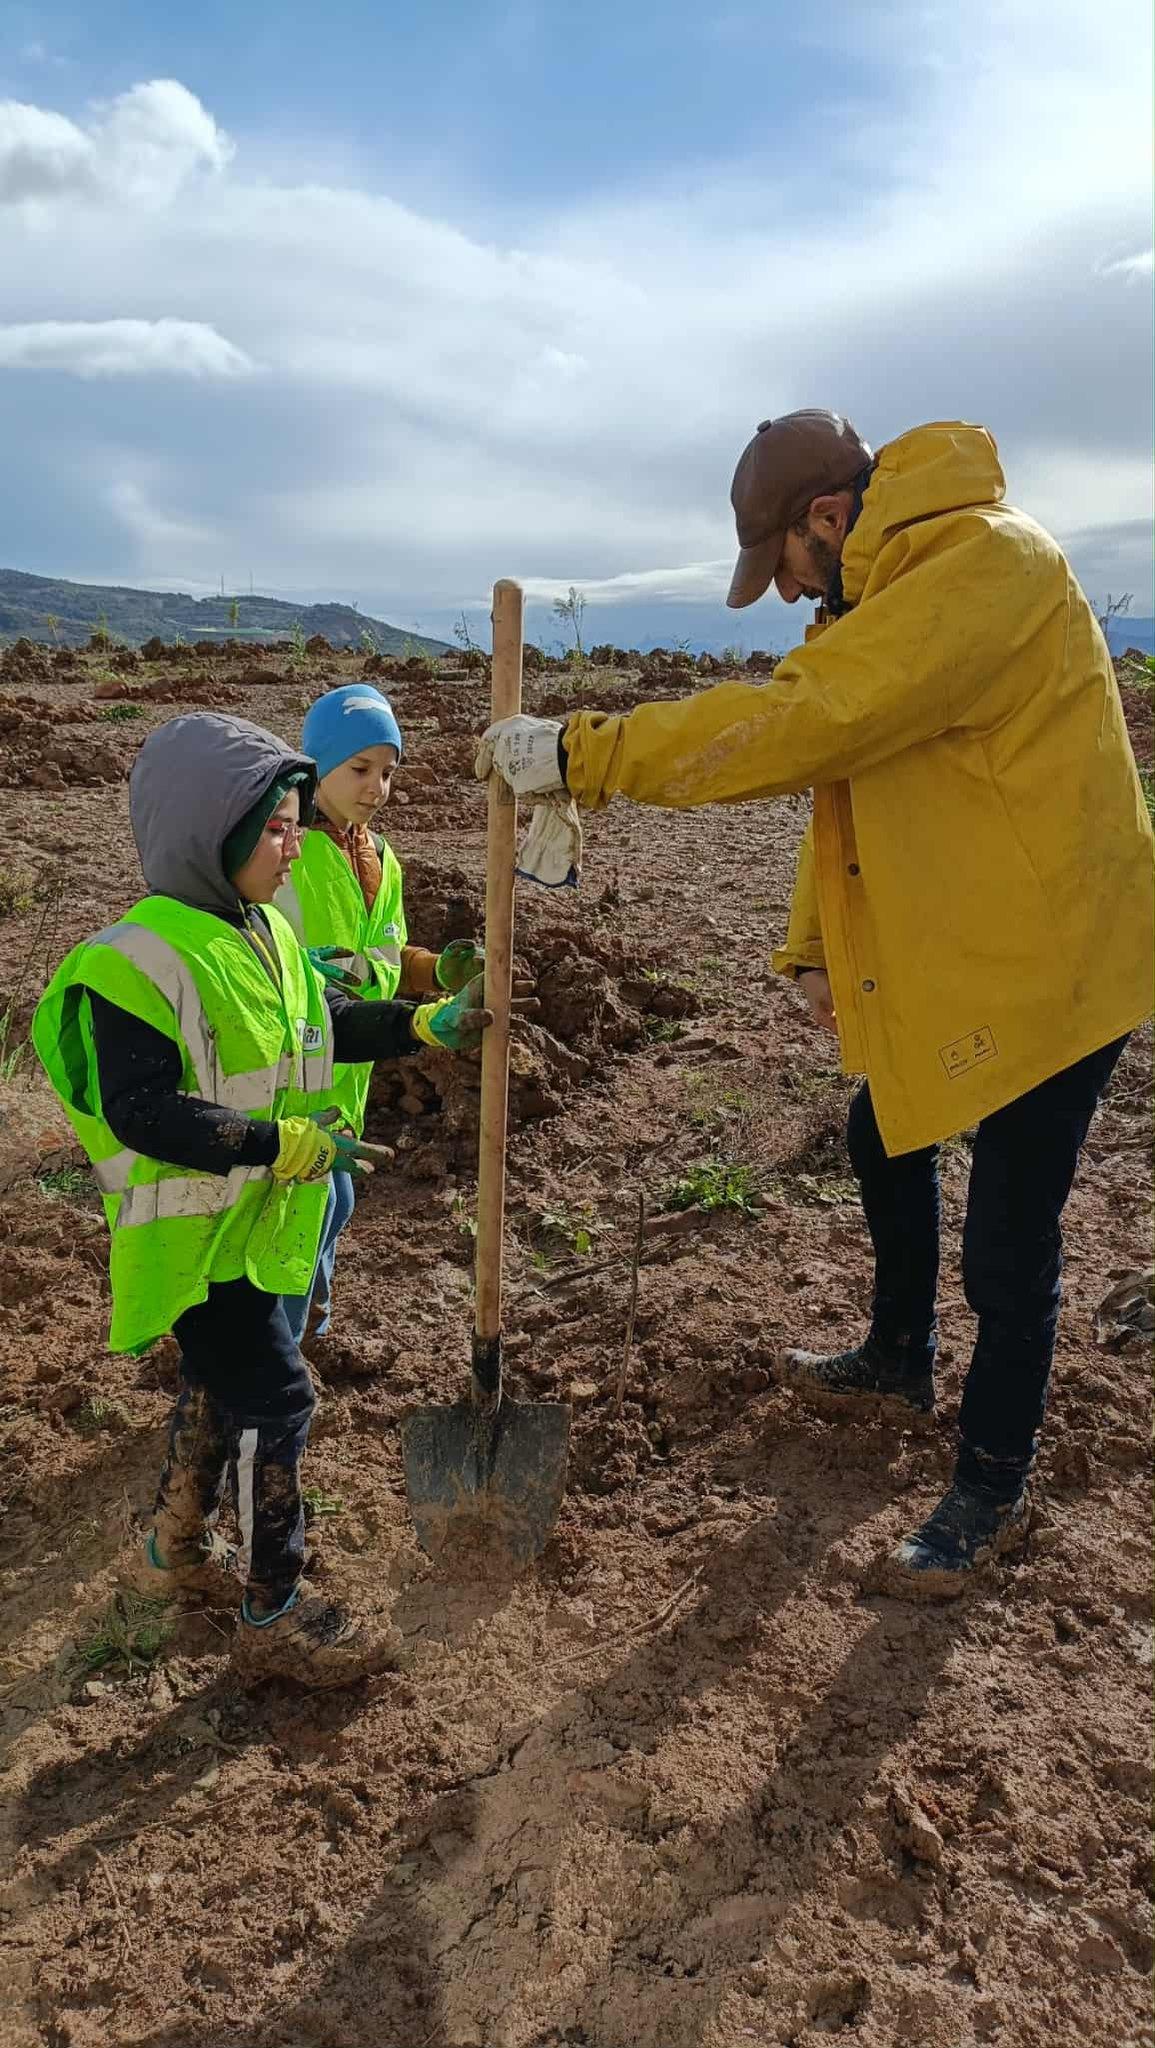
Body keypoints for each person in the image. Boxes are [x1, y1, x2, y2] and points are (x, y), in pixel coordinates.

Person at [477, 412, 1154, 1589]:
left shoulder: (992, 566)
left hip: (1068, 956)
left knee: (1007, 1236)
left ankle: (989, 1479)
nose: (791, 598)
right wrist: (811, 946)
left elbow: (805, 722)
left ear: (827, 521)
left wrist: (583, 752)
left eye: (784, 569)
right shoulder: (891, 605)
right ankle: (899, 1353)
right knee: (880, 1127)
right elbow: (848, 771)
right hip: (985, 943)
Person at [33, 712, 500, 1687]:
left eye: (297, 824)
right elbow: (143, 1110)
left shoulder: (265, 936)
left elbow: (327, 1023)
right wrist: (277, 1143)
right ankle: (273, 1605)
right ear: (213, 834)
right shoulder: (139, 959)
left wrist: (428, 1021)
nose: (298, 845)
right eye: (280, 829)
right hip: (198, 1245)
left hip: (253, 1234)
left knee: (225, 1389)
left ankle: (172, 1545)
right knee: (279, 1400)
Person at [273, 684, 482, 1349]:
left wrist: (435, 973)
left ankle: (309, 1327)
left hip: (350, 1065)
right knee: (306, 1207)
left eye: (388, 771)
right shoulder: (284, 848)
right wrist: (297, 964)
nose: (377, 786)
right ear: (316, 767)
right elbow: (247, 941)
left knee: (333, 1204)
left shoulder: (380, 858)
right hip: (289, 1062)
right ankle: (279, 1346)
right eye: (359, 769)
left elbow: (385, 956)